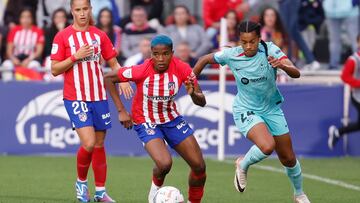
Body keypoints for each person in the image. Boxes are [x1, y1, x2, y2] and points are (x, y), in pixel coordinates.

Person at [192, 21, 311, 203]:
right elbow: (203, 60)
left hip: (271, 108)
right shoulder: (232, 54)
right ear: (239, 40)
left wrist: (282, 66)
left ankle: (299, 194)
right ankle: (243, 164)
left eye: (252, 42)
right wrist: (193, 82)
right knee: (267, 146)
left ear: (259, 39)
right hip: (246, 109)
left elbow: (296, 73)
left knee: (288, 158)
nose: (248, 46)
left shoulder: (270, 50)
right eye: (244, 42)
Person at [105, 35, 207, 203]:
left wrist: (194, 94)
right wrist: (121, 110)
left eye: (165, 54)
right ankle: (153, 197)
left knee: (199, 166)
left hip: (172, 120)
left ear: (172, 53)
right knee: (164, 163)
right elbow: (108, 78)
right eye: (156, 54)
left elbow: (201, 101)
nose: (160, 59)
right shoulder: (141, 70)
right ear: (150, 54)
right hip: (146, 121)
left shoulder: (183, 69)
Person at [50, 0, 132, 202]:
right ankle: (81, 183)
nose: (82, 13)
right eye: (78, 10)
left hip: (98, 96)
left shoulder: (99, 35)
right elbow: (54, 69)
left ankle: (101, 192)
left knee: (99, 144)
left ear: (90, 9)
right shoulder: (62, 36)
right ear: (72, 11)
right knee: (88, 143)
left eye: (85, 9)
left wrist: (122, 79)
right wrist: (75, 57)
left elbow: (112, 61)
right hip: (75, 96)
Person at [328, 34, 360, 150]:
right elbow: (345, 76)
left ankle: (338, 132)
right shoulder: (354, 60)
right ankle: (338, 132)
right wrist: (358, 83)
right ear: (358, 43)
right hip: (357, 95)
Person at [1, 8, 44, 81]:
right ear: (20, 18)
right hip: (15, 59)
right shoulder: (14, 30)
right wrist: (13, 59)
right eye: (23, 17)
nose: (26, 19)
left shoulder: (38, 31)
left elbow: (39, 51)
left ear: (32, 18)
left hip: (30, 59)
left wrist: (29, 60)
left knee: (34, 65)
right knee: (6, 65)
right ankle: (8, 88)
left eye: (28, 17)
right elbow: (9, 50)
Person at [323, 0, 359, 70]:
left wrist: (354, 2)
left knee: (354, 40)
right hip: (331, 10)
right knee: (335, 40)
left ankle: (333, 65)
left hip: (348, 10)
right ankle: (333, 64)